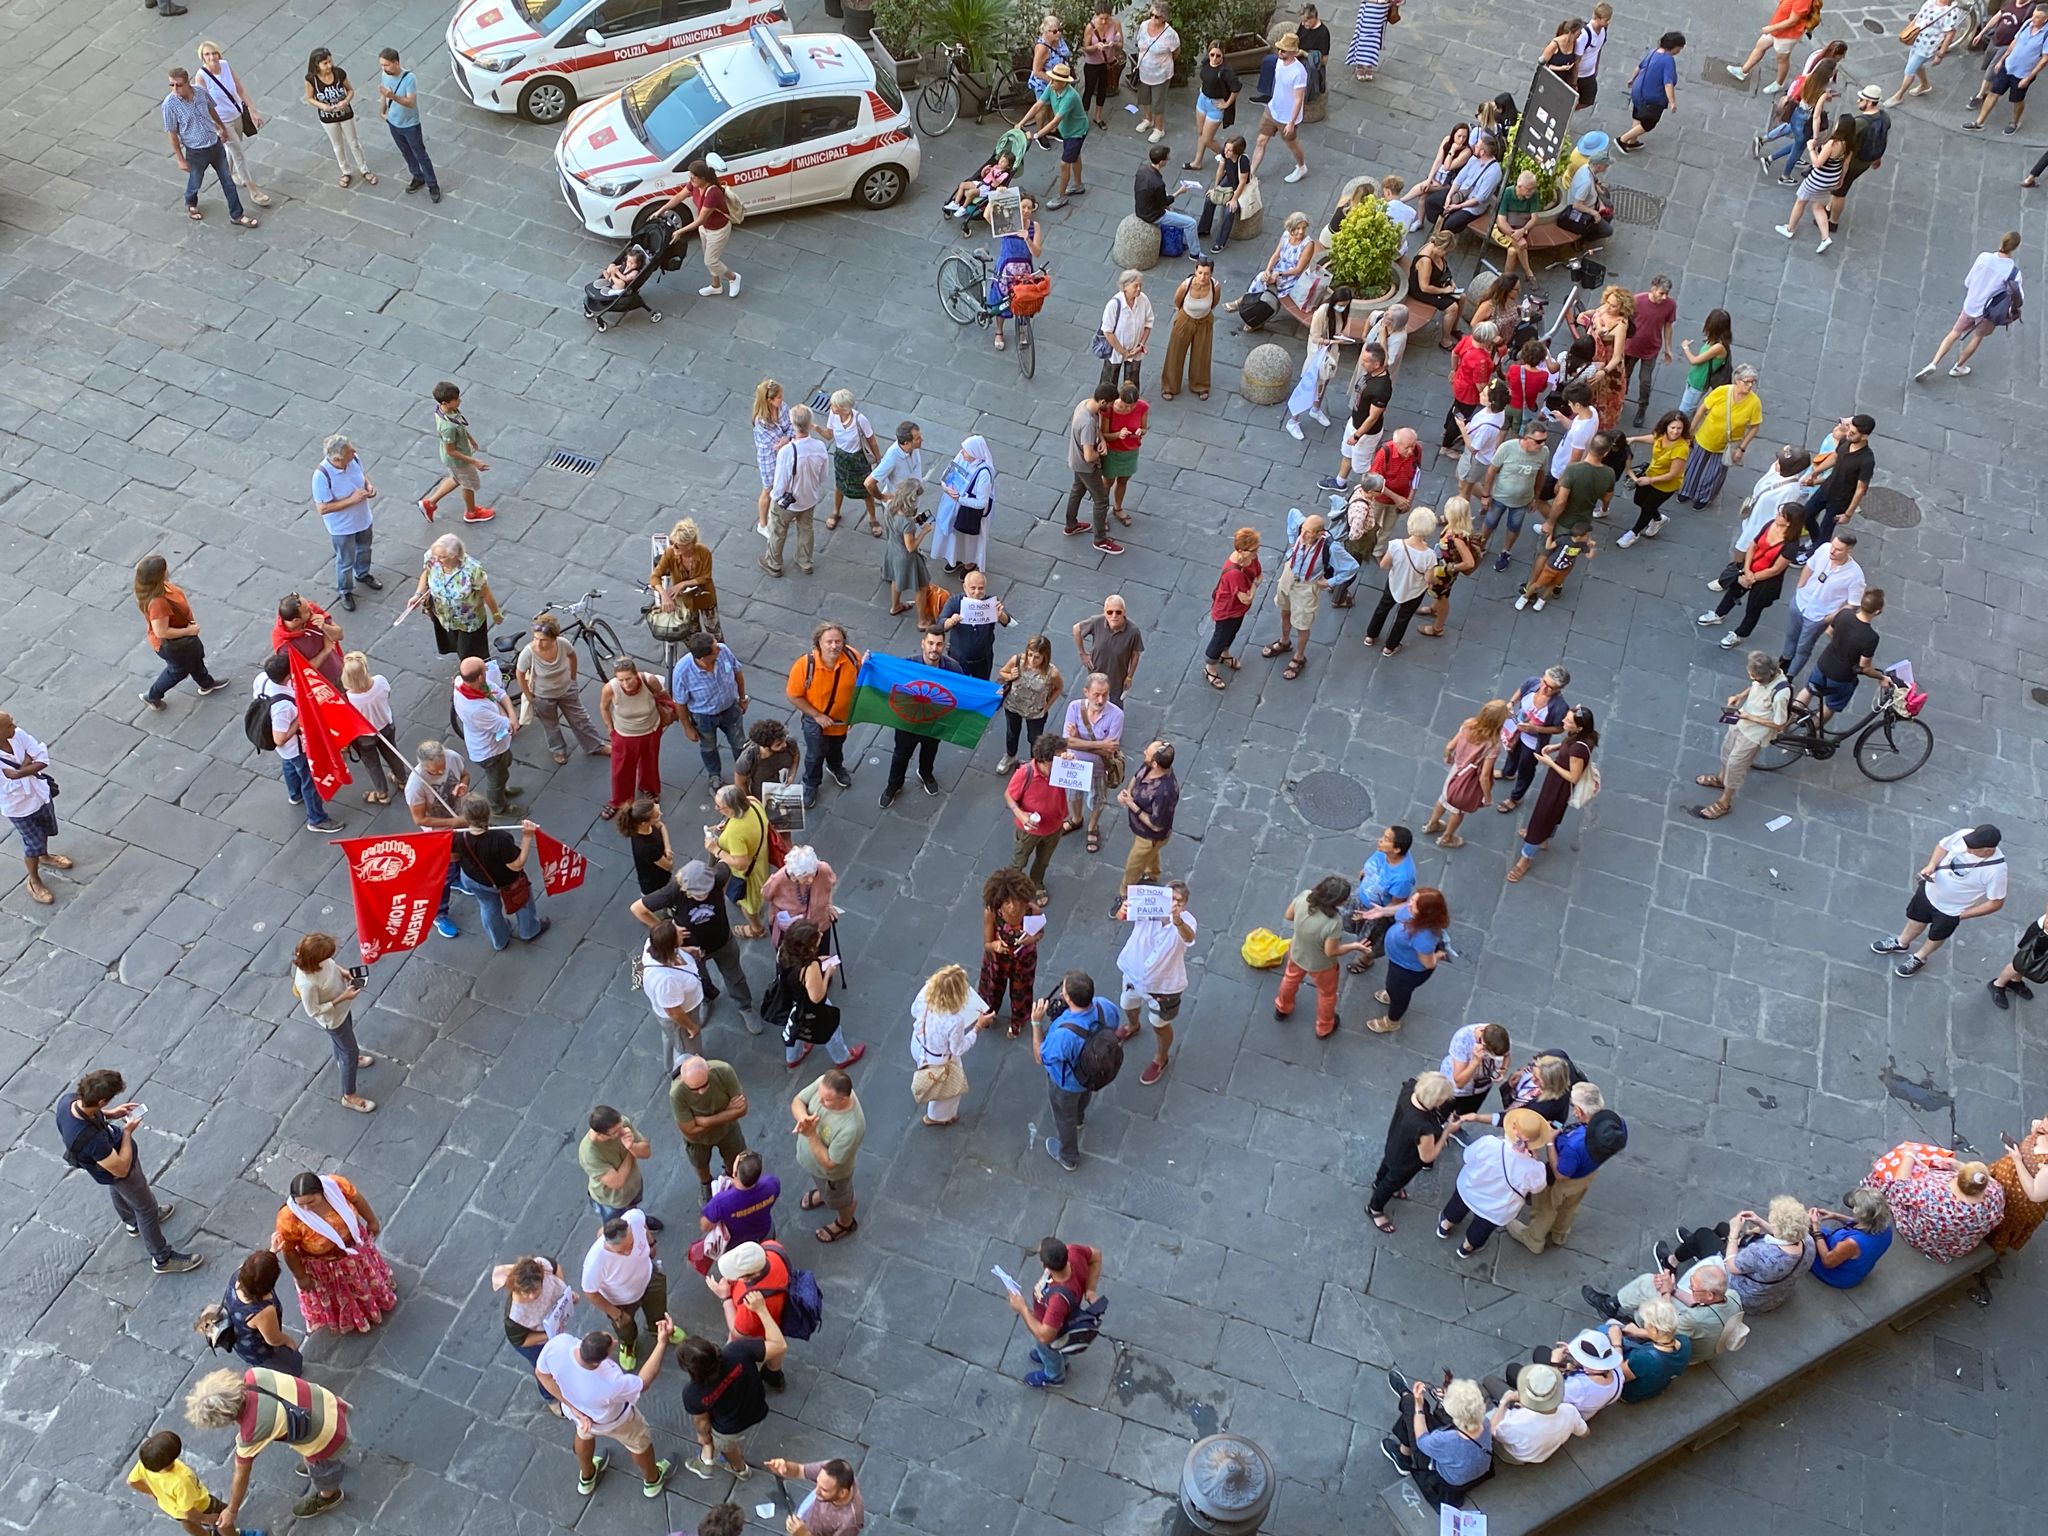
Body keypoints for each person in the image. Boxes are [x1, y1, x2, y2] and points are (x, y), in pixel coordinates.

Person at [55, 1069, 200, 1274]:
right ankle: (162, 1258)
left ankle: (132, 1222)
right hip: (116, 1166)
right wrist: (127, 1132)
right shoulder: (91, 1140)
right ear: (102, 1100)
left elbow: (89, 1113)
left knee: (118, 1188)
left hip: (105, 1167)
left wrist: (110, 1113)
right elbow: (121, 1168)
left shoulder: (68, 1101)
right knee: (146, 1208)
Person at [183, 1366, 349, 1522]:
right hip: (326, 1403)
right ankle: (315, 1463)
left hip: (326, 1436)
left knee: (324, 1472)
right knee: (315, 1456)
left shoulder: (252, 1430)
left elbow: (241, 1473)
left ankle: (329, 1496)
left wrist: (232, 1510)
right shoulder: (254, 1374)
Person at [536, 1325, 676, 1499]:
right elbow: (643, 1382)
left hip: (581, 1415)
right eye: (612, 1345)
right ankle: (652, 1480)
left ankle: (587, 1476)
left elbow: (542, 1375)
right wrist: (661, 1342)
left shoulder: (558, 1344)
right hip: (615, 1421)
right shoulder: (611, 1383)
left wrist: (572, 1407)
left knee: (584, 1434)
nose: (616, 1342)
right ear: (598, 1362)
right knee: (639, 1443)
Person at [1873, 824, 2009, 976]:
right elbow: (1942, 846)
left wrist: (1962, 915)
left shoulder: (1997, 871)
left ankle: (1920, 957)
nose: (1967, 849)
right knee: (1915, 919)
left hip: (1952, 910)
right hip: (1929, 891)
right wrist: (1931, 865)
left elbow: (1996, 903)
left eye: (1973, 849)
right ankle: (1901, 942)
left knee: (1937, 936)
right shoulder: (1965, 835)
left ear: (1988, 850)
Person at [273, 1170, 396, 1334]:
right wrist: (301, 1276)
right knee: (343, 1294)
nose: (306, 1208)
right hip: (326, 1267)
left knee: (361, 1282)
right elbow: (288, 1250)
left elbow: (357, 1200)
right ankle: (352, 1317)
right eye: (300, 1204)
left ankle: (373, 1302)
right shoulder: (288, 1218)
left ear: (322, 1192)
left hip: (354, 1249)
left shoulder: (336, 1185)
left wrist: (372, 1221)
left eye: (311, 1201)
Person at [679, 1298, 785, 1480]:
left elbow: (702, 1422)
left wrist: (704, 1438)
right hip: (756, 1406)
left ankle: (739, 1468)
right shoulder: (737, 1351)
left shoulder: (692, 1393)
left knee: (728, 1447)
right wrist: (762, 1310)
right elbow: (779, 1346)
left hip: (728, 1428)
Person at [639, 859, 756, 1022]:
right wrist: (668, 930)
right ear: (685, 888)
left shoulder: (717, 877)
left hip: (723, 940)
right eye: (699, 893)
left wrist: (722, 892)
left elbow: (726, 865)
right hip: (691, 949)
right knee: (699, 978)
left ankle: (745, 1006)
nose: (704, 895)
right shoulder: (674, 891)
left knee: (735, 976)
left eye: (707, 891)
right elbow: (638, 909)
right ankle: (706, 999)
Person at [1510, 1094, 1627, 1253]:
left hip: (1563, 1180)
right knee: (1570, 1205)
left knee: (1546, 1207)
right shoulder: (1618, 1129)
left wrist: (1551, 1142)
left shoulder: (1575, 1146)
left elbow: (1560, 1174)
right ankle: (1559, 1233)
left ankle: (1533, 1239)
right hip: (1586, 1175)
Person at [1658, 1196, 1816, 1312]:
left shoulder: (1760, 1253)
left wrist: (1734, 1233)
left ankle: (1670, 1262)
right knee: (1721, 1228)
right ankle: (1695, 1246)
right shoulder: (1808, 1242)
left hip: (1742, 1295)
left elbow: (1732, 1266)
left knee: (1703, 1234)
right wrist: (1760, 1222)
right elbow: (1785, 1235)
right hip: (1772, 1295)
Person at [1438, 1107, 1553, 1257]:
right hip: (1497, 1208)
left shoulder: (1489, 1143)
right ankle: (1466, 1247)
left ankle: (1445, 1226)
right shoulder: (1535, 1169)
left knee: (1456, 1207)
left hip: (1470, 1189)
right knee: (1482, 1228)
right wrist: (1535, 1156)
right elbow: (1537, 1188)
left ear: (1512, 1128)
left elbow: (1468, 1156)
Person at [250, 654, 342, 835]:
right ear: (287, 676)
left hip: (287, 751)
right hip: (295, 746)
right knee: (310, 780)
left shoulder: (261, 679)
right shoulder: (282, 706)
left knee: (289, 766)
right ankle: (317, 819)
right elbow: (280, 738)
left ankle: (295, 794)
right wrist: (299, 720)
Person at [1691, 652, 1790, 820]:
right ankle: (1721, 779)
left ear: (1767, 674)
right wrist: (1740, 696)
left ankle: (1725, 802)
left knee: (1736, 765)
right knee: (1726, 752)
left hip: (1754, 734)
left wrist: (1751, 718)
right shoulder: (1764, 678)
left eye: (1755, 676)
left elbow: (1780, 723)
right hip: (1741, 721)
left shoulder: (1781, 694)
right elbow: (1754, 686)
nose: (1752, 678)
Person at [1114, 878, 1194, 1086]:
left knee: (1160, 1024)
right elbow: (1120, 916)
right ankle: (1132, 1025)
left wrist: (1177, 920)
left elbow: (1188, 937)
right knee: (1127, 1004)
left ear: (1184, 904)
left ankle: (1161, 1057)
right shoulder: (1146, 906)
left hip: (1163, 986)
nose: (1173, 902)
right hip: (1133, 973)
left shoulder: (1187, 921)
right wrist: (1123, 909)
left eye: (1178, 900)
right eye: (1170, 897)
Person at [1862, 1149, 2005, 1263]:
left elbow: (1898, 1188)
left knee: (1884, 1181)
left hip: (1926, 1239)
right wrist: (1956, 1165)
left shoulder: (1932, 1193)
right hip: (1959, 1245)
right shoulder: (1996, 1193)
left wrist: (1910, 1155)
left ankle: (1865, 1195)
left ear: (1958, 1176)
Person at [1035, 970, 1116, 1171]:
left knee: (1064, 1118)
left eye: (1063, 992)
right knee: (1083, 1097)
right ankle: (1079, 1118)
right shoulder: (1105, 1006)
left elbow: (1040, 1056)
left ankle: (1068, 1157)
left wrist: (1036, 1022)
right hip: (1091, 1075)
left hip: (1066, 1084)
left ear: (1069, 998)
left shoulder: (1064, 1034)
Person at [1916, 232, 2024, 380]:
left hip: (1970, 305)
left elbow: (1968, 281)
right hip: (1987, 314)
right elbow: (2019, 297)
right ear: (2015, 248)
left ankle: (1933, 363)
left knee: (1954, 333)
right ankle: (1958, 367)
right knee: (1977, 337)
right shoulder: (2013, 273)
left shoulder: (1984, 257)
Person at [289, 932, 376, 1113]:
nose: (329, 958)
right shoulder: (307, 984)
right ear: (315, 958)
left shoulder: (320, 961)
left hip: (343, 1011)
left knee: (344, 1042)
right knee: (350, 1050)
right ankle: (349, 1096)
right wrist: (342, 997)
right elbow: (313, 1011)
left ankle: (342, 1060)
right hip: (333, 1018)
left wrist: (346, 974)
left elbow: (332, 966)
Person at [1508, 706, 1596, 882]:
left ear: (1579, 728)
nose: (1563, 721)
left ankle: (1525, 860)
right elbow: (1568, 744)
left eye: (1568, 721)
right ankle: (1544, 838)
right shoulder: (1579, 736)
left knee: (1542, 818)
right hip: (1555, 783)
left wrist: (1550, 763)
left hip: (1559, 787)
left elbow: (1573, 776)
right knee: (1550, 815)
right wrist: (1556, 747)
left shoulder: (1578, 750)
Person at [1273, 876, 1370, 1038]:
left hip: (1297, 952)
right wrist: (1354, 946)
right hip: (1321, 965)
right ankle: (1324, 1027)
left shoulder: (1304, 896)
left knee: (1290, 979)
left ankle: (1282, 1008)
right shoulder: (1334, 922)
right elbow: (1331, 952)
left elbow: (1289, 916)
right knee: (1327, 994)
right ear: (1337, 901)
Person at [580, 1207, 676, 1368]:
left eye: (630, 1244)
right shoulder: (594, 1262)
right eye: (622, 1250)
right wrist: (616, 1314)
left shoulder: (635, 1218)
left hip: (649, 1277)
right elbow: (590, 1292)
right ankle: (628, 1345)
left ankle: (659, 1328)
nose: (628, 1251)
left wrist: (651, 1243)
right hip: (621, 1300)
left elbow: (644, 1227)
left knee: (659, 1308)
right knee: (625, 1328)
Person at [162, 67, 258, 228]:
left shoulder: (200, 92)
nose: (175, 89)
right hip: (195, 150)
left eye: (178, 85)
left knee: (228, 182)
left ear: (187, 83)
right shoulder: (169, 105)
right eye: (171, 85)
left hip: (215, 144)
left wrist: (221, 127)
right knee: (196, 181)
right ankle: (190, 200)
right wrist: (180, 158)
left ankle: (237, 215)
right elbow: (172, 133)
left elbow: (211, 109)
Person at [878, 627, 962, 809]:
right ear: (922, 643)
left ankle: (925, 773)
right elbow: (885, 675)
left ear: (944, 646)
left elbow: (966, 691)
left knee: (930, 749)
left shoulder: (954, 668)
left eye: (939, 644)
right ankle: (894, 785)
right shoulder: (907, 665)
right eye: (930, 643)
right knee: (901, 755)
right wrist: (871, 662)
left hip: (935, 722)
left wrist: (993, 693)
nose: (934, 648)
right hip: (908, 723)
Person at [1367, 1073, 1461, 1233]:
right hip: (1406, 1160)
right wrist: (1447, 1132)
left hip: (1395, 1142)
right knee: (1392, 1181)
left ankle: (1378, 1183)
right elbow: (1428, 1157)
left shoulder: (1410, 1089)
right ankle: (1375, 1208)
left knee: (1386, 1166)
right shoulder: (1423, 1127)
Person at [133, 555, 228, 709]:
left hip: (185, 641)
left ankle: (206, 683)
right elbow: (161, 632)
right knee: (178, 671)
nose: (168, 571)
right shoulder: (158, 603)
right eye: (165, 569)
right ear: (159, 575)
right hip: (174, 644)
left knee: (195, 659)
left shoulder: (160, 589)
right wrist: (188, 631)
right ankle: (152, 696)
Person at [453, 797, 550, 947]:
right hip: (505, 881)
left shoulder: (459, 836)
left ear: (466, 817)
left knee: (488, 907)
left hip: (473, 879)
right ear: (488, 813)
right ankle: (529, 930)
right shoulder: (500, 839)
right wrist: (527, 837)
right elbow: (516, 865)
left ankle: (499, 940)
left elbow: (453, 857)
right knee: (522, 901)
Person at [1382, 1376, 1492, 1509]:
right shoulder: (1485, 1422)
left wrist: (1419, 1405)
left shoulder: (1445, 1440)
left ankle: (1404, 1394)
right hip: (1472, 1470)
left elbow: (1421, 1440)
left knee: (1411, 1406)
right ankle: (1403, 1453)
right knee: (1418, 1416)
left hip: (1442, 1479)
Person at [1008, 1236, 1102, 1389]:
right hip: (1064, 1318)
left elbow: (1045, 1336)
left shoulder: (1058, 1301)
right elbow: (1096, 1255)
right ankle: (1057, 1358)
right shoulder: (1074, 1251)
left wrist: (1022, 1308)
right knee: (1049, 1350)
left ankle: (1054, 1376)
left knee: (1047, 1349)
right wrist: (1090, 1289)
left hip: (1056, 1331)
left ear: (1045, 1265)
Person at [786, 621, 861, 807]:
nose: (834, 646)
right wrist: (817, 715)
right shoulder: (805, 665)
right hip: (815, 721)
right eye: (829, 642)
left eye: (838, 641)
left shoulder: (853, 658)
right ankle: (811, 784)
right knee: (815, 754)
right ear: (818, 643)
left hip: (841, 720)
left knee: (836, 747)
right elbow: (793, 695)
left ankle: (835, 767)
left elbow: (862, 686)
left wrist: (856, 714)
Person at [910, 963, 994, 1127]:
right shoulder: (954, 1021)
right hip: (939, 1060)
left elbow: (914, 1011)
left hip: (918, 1044)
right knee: (948, 1093)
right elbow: (958, 1048)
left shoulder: (926, 992)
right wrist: (978, 1027)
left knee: (929, 1074)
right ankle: (937, 1117)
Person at [517, 615, 607, 765]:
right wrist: (530, 696)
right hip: (543, 696)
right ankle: (558, 750)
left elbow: (572, 656)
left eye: (543, 640)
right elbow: (520, 674)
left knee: (581, 719)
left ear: (553, 638)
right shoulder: (528, 653)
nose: (538, 643)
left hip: (566, 689)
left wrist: (572, 678)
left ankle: (595, 746)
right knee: (551, 725)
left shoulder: (563, 644)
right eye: (535, 638)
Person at [791, 1068, 865, 1243]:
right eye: (820, 1096)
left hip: (832, 1176)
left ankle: (845, 1222)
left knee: (840, 1198)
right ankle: (824, 1194)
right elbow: (798, 1101)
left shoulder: (851, 1128)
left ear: (843, 1099)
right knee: (824, 1187)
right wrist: (803, 1119)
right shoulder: (825, 1082)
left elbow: (830, 1163)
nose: (820, 1101)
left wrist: (810, 1134)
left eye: (827, 1100)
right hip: (817, 1169)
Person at [203, 1250, 305, 1376]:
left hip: (240, 1340)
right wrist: (289, 1341)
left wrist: (272, 1251)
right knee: (289, 1365)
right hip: (261, 1351)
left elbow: (255, 1270)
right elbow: (273, 1340)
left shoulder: (238, 1275)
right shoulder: (263, 1311)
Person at [1677, 364, 1763, 508]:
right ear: (1737, 380)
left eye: (1753, 382)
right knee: (1694, 465)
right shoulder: (1722, 391)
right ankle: (1686, 490)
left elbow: (1755, 427)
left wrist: (1741, 448)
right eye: (1747, 382)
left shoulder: (1754, 403)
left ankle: (1704, 497)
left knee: (1715, 473)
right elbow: (1701, 410)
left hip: (1727, 445)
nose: (1750, 386)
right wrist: (1690, 431)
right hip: (1706, 436)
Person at [404, 740, 467, 938]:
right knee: (444, 873)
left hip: (458, 821)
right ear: (423, 766)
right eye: (434, 772)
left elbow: (465, 774)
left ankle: (457, 879)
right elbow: (419, 818)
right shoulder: (415, 786)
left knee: (461, 856)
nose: (440, 773)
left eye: (442, 768)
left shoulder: (453, 757)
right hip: (439, 833)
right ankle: (438, 913)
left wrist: (462, 785)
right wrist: (453, 821)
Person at [195, 40, 269, 207]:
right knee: (239, 154)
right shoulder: (201, 77)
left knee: (234, 148)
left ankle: (230, 173)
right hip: (223, 121)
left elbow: (239, 89)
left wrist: (252, 110)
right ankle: (253, 190)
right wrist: (217, 127)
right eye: (207, 54)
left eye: (214, 53)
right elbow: (204, 105)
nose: (211, 57)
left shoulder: (225, 65)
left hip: (237, 114)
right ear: (202, 58)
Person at [309, 434, 378, 613]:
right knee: (345, 560)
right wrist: (352, 500)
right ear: (338, 458)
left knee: (365, 548)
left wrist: (368, 485)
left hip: (363, 519)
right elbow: (322, 508)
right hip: (342, 528)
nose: (354, 451)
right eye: (349, 451)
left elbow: (362, 474)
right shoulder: (321, 476)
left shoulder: (353, 459)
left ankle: (363, 574)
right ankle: (345, 590)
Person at [1425, 700, 1508, 849]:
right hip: (1467, 778)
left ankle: (1432, 824)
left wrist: (1448, 757)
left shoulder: (1468, 724)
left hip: (1456, 770)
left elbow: (1450, 746)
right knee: (1458, 810)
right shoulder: (1493, 745)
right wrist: (1487, 797)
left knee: (1444, 797)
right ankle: (1447, 837)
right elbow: (1484, 776)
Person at [495, 1253, 575, 1406]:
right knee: (544, 1368)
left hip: (552, 1325)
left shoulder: (542, 1265)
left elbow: (556, 1267)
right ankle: (550, 1398)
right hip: (534, 1342)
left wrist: (564, 1296)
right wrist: (548, 1333)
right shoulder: (515, 1316)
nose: (532, 1296)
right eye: (527, 1292)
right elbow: (521, 1340)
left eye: (536, 1289)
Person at [1366, 888, 1449, 1035]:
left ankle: (1392, 1021)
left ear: (1425, 913)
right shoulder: (1413, 912)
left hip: (1407, 971)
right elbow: (1402, 908)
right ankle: (1392, 994)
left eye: (1414, 904)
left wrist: (1439, 955)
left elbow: (1428, 963)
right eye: (1412, 899)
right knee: (1392, 986)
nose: (1409, 904)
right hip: (1398, 960)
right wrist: (1384, 911)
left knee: (1399, 995)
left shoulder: (1424, 937)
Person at [407, 533, 501, 663]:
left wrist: (496, 613)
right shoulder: (432, 557)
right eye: (436, 556)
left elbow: (486, 593)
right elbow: (426, 573)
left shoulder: (472, 570)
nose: (437, 560)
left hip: (468, 620)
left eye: (443, 557)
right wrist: (417, 594)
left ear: (455, 555)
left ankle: (475, 671)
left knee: (469, 653)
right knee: (453, 643)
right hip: (443, 614)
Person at [1797, 587, 1886, 724]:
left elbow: (1829, 631)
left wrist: (1840, 643)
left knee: (1808, 690)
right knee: (1830, 706)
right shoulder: (1870, 637)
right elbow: (1865, 667)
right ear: (1878, 611)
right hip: (1841, 676)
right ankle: (1811, 736)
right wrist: (1881, 677)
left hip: (1824, 663)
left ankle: (1785, 722)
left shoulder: (1845, 614)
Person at [1261, 512, 1333, 681]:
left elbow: (1350, 567)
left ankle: (1299, 657)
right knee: (1284, 610)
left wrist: (1331, 581)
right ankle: (1284, 641)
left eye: (1308, 532)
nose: (1304, 534)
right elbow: (1292, 513)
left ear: (1320, 533)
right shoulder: (1302, 531)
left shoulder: (1330, 546)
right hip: (1289, 576)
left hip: (1307, 586)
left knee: (1303, 624)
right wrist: (1293, 540)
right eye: (1304, 530)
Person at [1059, 672, 1124, 855]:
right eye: (1096, 694)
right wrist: (1099, 744)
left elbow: (1109, 750)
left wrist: (1078, 739)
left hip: (1099, 768)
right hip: (1074, 764)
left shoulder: (1116, 714)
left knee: (1098, 800)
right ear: (1086, 692)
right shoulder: (1074, 707)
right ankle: (1077, 818)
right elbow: (1067, 742)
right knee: (1073, 796)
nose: (1101, 699)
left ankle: (1093, 826)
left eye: (1105, 694)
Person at [599, 656, 671, 818]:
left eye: (629, 679)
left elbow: (663, 697)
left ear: (636, 674)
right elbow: (604, 707)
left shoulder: (649, 681)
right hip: (625, 734)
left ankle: (649, 788)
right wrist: (610, 729)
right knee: (621, 770)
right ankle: (620, 800)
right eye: (621, 680)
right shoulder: (610, 688)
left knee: (650, 761)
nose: (625, 684)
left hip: (651, 729)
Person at [672, 632, 749, 783]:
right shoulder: (682, 671)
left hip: (730, 709)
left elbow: (737, 672)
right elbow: (680, 703)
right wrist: (687, 728)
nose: (719, 649)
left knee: (739, 743)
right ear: (702, 658)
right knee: (709, 747)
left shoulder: (723, 650)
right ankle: (714, 775)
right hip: (704, 716)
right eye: (715, 650)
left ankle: (745, 772)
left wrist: (742, 698)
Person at [764, 403, 830, 577]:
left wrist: (775, 498)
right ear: (810, 424)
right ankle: (805, 561)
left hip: (788, 501)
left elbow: (780, 483)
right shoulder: (820, 447)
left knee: (778, 530)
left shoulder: (786, 451)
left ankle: (774, 564)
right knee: (806, 528)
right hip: (809, 498)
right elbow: (824, 476)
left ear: (793, 425)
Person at [127, 1429, 231, 1536]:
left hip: (172, 1509)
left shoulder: (145, 1464)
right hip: (201, 1505)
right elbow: (189, 1512)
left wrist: (152, 1493)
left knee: (186, 1522)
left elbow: (131, 1482)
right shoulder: (182, 1480)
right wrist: (206, 1518)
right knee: (225, 1514)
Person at [979, 867, 1044, 1034]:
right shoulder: (992, 912)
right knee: (991, 989)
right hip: (998, 959)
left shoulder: (1032, 910)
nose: (1013, 906)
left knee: (1021, 993)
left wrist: (1032, 939)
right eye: (1007, 902)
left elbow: (1040, 932)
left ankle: (1017, 1023)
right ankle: (987, 1015)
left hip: (1024, 959)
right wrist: (995, 945)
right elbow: (987, 943)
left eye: (1016, 900)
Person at [1366, 507, 1439, 655]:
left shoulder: (1396, 545)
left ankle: (1370, 636)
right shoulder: (1430, 556)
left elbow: (1383, 565)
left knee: (1382, 608)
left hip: (1394, 584)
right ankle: (1390, 646)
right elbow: (1428, 578)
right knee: (1403, 618)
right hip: (1414, 591)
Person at [1347, 823, 1420, 971]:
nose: (1380, 840)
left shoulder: (1402, 878)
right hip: (1362, 896)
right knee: (1349, 921)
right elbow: (1371, 864)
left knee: (1369, 941)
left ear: (1397, 849)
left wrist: (1370, 915)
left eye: (1386, 839)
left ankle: (1365, 961)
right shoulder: (1383, 851)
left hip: (1376, 912)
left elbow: (1394, 905)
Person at [451, 654, 519, 813]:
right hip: (490, 751)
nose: (488, 669)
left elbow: (499, 692)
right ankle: (499, 807)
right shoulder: (476, 710)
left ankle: (501, 789)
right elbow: (507, 724)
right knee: (496, 778)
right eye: (485, 668)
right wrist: (510, 715)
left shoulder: (464, 682)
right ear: (480, 676)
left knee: (504, 768)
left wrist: (510, 714)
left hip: (497, 746)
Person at [1484, 1363, 1587, 1464]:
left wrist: (1505, 1401)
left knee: (1488, 1382)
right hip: (1540, 1453)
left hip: (1515, 1455)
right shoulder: (1569, 1410)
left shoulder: (1515, 1423)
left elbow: (1492, 1431)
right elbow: (1584, 1433)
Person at [1115, 739, 1178, 904]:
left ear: (1156, 764)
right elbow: (1136, 777)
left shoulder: (1164, 792)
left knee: (1133, 866)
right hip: (1143, 832)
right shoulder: (1150, 766)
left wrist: (1131, 804)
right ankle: (1152, 874)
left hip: (1149, 836)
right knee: (1151, 854)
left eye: (1147, 753)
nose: (1144, 752)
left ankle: (1125, 895)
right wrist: (1127, 793)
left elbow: (1155, 825)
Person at [1021, 63, 1089, 209]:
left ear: (1064, 82)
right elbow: (1038, 105)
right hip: (1067, 130)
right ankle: (1078, 185)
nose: (1051, 83)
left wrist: (1035, 135)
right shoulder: (1052, 88)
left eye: (1055, 80)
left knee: (1065, 163)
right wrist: (1021, 123)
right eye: (1051, 79)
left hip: (1076, 132)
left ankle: (1061, 196)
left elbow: (1054, 122)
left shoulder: (1070, 97)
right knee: (1075, 156)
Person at [303, 46, 374, 186]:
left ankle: (364, 168)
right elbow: (309, 98)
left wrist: (345, 101)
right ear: (316, 65)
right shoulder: (311, 79)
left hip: (345, 113)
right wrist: (324, 107)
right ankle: (345, 171)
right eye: (325, 63)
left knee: (354, 143)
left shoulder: (339, 73)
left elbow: (350, 90)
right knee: (337, 145)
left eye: (330, 61)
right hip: (328, 117)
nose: (329, 66)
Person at [376, 47, 439, 201]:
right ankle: (418, 176)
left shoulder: (409, 79)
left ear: (396, 63)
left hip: (410, 125)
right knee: (405, 151)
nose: (383, 69)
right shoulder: (385, 75)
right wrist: (383, 110)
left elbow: (410, 103)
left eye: (386, 65)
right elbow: (384, 94)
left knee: (420, 154)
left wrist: (392, 96)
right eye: (382, 65)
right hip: (393, 122)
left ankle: (433, 185)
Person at [1062, 383, 1119, 553]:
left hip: (1075, 460)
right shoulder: (1087, 423)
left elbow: (1096, 427)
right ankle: (1100, 539)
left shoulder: (1085, 404)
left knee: (1077, 490)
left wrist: (1101, 439)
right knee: (1101, 501)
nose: (1110, 408)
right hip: (1086, 466)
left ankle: (1071, 525)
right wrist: (1102, 453)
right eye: (1109, 404)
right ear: (1103, 401)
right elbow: (1088, 456)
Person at [1202, 528, 1262, 690]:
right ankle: (1210, 667)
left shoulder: (1251, 558)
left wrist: (1254, 584)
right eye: (1254, 549)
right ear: (1241, 550)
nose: (1257, 552)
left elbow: (1259, 574)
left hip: (1239, 609)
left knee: (1233, 631)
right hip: (1227, 609)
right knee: (1220, 636)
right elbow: (1247, 596)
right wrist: (1255, 585)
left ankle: (1225, 654)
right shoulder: (1233, 573)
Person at [816, 389, 881, 536]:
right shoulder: (833, 415)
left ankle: (873, 518)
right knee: (840, 486)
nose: (831, 406)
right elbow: (829, 435)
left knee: (866, 489)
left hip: (858, 459)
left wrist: (878, 460)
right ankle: (836, 512)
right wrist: (817, 428)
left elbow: (872, 441)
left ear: (843, 408)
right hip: (841, 457)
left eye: (834, 404)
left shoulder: (860, 420)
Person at [997, 633, 1065, 770]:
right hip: (1013, 704)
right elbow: (1002, 672)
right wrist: (1011, 675)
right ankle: (1010, 756)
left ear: (1044, 657)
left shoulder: (1052, 672)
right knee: (1012, 733)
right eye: (1030, 655)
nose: (1032, 659)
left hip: (1035, 710)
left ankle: (1034, 764)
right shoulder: (1017, 660)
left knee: (1034, 739)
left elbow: (1059, 688)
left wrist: (1047, 705)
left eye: (1037, 657)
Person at [1828, 85, 1892, 227]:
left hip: (1852, 164)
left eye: (1861, 99)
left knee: (1839, 191)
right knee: (1838, 189)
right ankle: (1829, 208)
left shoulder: (1859, 123)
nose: (1858, 101)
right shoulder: (1884, 117)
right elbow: (1883, 139)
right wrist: (1877, 158)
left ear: (1869, 102)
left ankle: (1833, 221)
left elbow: (1844, 146)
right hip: (1866, 162)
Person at [582, 1104, 657, 1225]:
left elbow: (646, 1152)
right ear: (600, 1134)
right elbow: (617, 1182)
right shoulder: (589, 1154)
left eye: (621, 1126)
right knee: (618, 1226)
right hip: (612, 1200)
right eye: (615, 1132)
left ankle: (640, 1221)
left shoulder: (621, 1123)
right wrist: (630, 1150)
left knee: (633, 1210)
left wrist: (632, 1146)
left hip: (633, 1186)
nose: (622, 1131)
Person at [649, 516, 720, 644]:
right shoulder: (670, 553)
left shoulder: (704, 552)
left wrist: (683, 584)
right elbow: (654, 577)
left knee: (714, 631)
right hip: (685, 602)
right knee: (691, 633)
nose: (673, 547)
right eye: (672, 543)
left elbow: (705, 577)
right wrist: (664, 595)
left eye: (677, 545)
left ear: (690, 545)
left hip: (705, 597)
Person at [337, 652, 396, 805]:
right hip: (385, 726)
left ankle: (382, 793)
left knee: (372, 764)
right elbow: (387, 694)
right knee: (392, 754)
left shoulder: (348, 699)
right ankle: (402, 779)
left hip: (365, 736)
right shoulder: (380, 681)